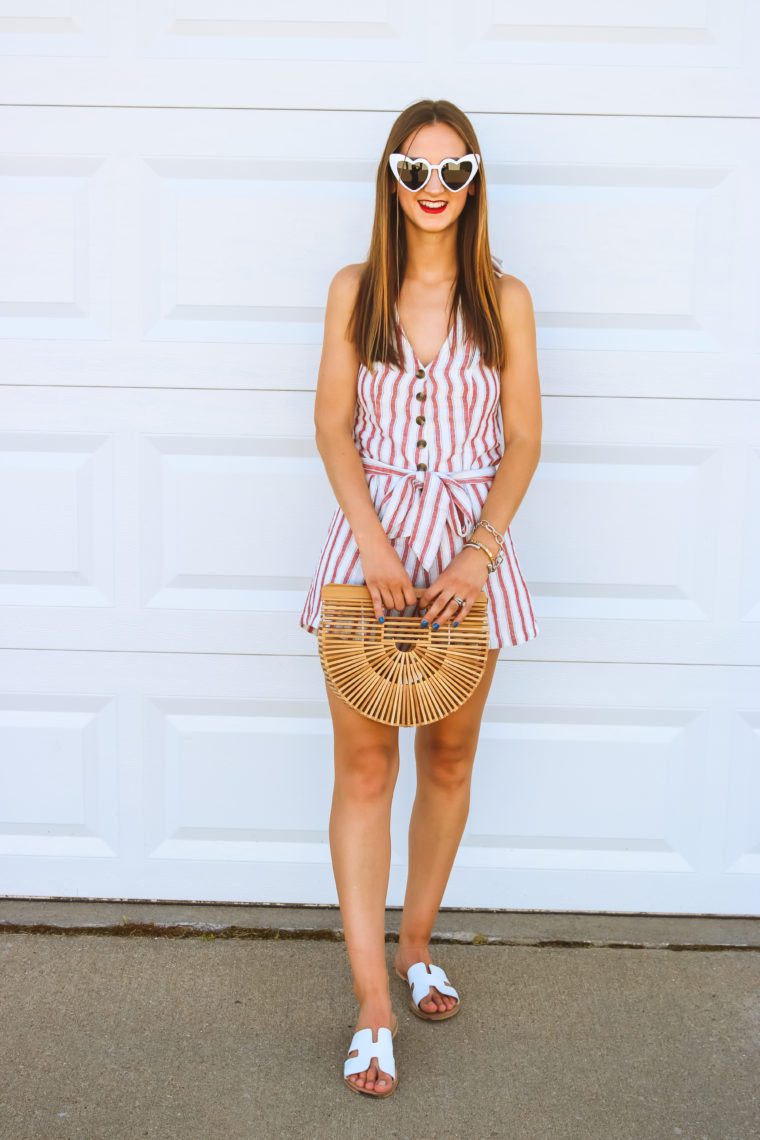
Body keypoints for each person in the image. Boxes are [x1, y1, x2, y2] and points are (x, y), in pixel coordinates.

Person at [299, 98, 542, 1096]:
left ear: (475, 180)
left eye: (453, 171)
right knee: (364, 771)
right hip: (372, 551)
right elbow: (330, 425)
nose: (433, 189)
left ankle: (416, 944)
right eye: (414, 170)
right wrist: (372, 542)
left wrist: (477, 554)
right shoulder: (355, 290)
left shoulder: (505, 298)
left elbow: (522, 438)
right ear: (389, 180)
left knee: (447, 754)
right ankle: (367, 999)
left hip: (470, 561)